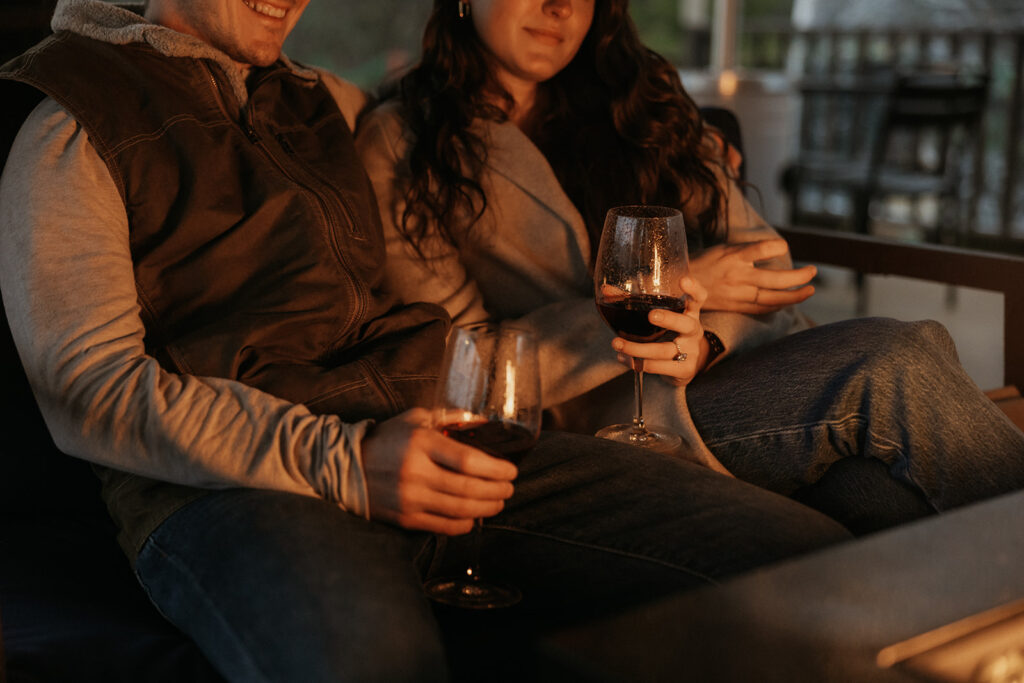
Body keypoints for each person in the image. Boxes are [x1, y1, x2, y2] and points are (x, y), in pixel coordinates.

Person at [0, 0, 855, 680]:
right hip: (238, 485)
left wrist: (681, 144)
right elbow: (90, 390)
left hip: (439, 435)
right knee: (378, 664)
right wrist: (340, 459)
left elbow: (450, 134)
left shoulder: (327, 103)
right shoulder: (72, 124)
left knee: (808, 567)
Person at [355, 0, 1024, 530]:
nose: (560, 6)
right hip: (614, 419)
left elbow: (767, 260)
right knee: (895, 357)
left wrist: (703, 338)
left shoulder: (638, 101)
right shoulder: (405, 142)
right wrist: (665, 292)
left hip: (737, 369)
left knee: (879, 498)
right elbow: (455, 367)